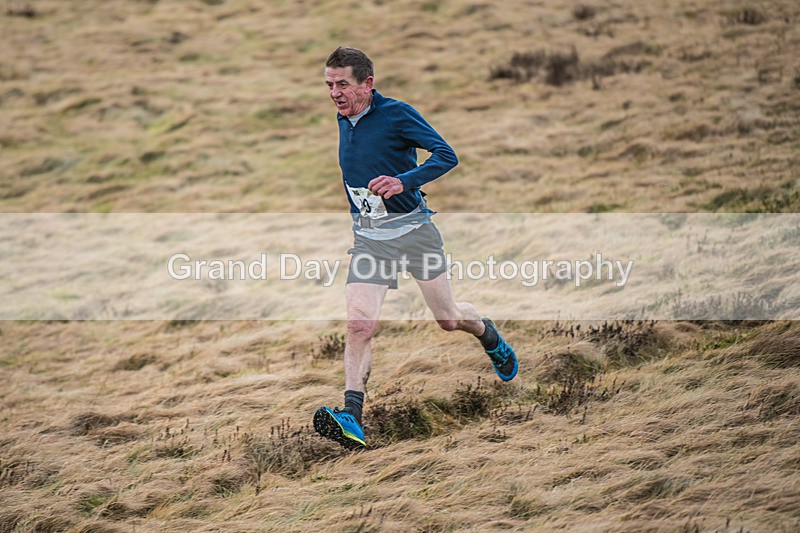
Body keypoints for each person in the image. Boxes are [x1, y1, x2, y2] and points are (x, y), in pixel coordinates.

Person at [313, 47, 518, 449]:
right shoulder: (345, 116)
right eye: (329, 85)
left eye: (343, 85)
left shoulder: (396, 114)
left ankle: (488, 334)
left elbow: (447, 155)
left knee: (448, 319)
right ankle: (352, 417)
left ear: (368, 84)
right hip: (371, 240)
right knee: (359, 324)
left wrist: (404, 181)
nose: (335, 93)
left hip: (414, 234)